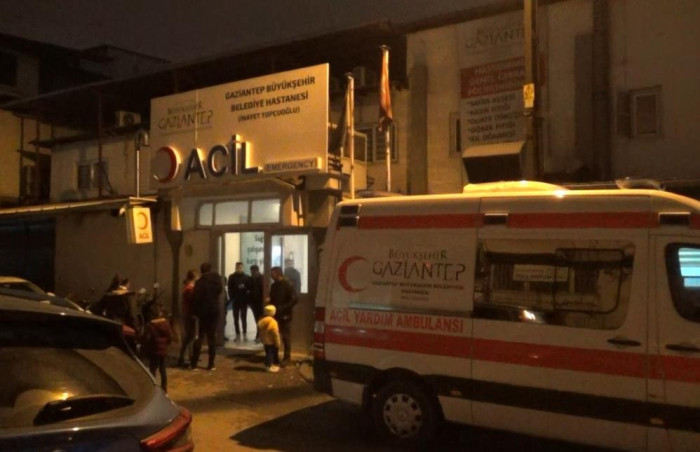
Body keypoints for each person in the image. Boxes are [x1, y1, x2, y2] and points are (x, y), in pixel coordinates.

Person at [191, 262, 223, 371]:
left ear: (202, 270)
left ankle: (194, 363)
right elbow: (219, 290)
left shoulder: (200, 282)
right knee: (211, 337)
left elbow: (196, 298)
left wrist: (195, 312)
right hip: (214, 309)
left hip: (203, 311)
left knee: (200, 336)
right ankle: (211, 364)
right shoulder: (216, 279)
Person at [142, 302, 173, 391]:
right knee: (163, 369)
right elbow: (170, 337)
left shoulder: (150, 326)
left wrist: (145, 346)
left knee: (153, 369)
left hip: (154, 351)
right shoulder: (166, 324)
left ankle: (153, 387)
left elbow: (147, 338)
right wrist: (165, 345)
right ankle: (164, 387)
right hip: (163, 350)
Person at [269, 266, 297, 365]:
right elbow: (272, 298)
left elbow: (294, 299)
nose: (271, 276)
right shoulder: (274, 285)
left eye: (272, 274)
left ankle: (286, 358)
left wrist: (283, 307)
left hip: (285, 314)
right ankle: (275, 357)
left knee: (285, 336)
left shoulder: (288, 284)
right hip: (275, 314)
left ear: (278, 273)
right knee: (274, 335)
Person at [177, 269, 198, 368]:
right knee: (189, 336)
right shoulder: (190, 288)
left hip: (188, 313)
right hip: (189, 314)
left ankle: (187, 356)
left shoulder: (187, 287)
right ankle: (184, 357)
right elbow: (192, 302)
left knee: (189, 336)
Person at [226, 262, 251, 341]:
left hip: (244, 300)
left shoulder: (247, 277)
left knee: (244, 317)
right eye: (237, 267)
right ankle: (237, 333)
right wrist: (232, 297)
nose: (239, 268)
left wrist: (244, 288)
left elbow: (249, 288)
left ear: (242, 267)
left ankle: (244, 332)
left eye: (240, 267)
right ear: (235, 267)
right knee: (235, 318)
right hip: (235, 300)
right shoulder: (232, 277)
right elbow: (230, 288)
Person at [257, 304, 281, 372]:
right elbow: (275, 333)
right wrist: (277, 343)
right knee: (271, 354)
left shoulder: (262, 320)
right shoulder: (273, 322)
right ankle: (269, 366)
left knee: (267, 353)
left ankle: (270, 365)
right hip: (271, 341)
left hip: (265, 341)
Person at [249, 264, 264, 343]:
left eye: (253, 272)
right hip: (254, 303)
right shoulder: (251, 279)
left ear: (257, 271)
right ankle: (259, 335)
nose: (252, 273)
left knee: (260, 320)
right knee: (257, 320)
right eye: (251, 272)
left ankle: (260, 335)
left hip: (261, 303)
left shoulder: (262, 278)